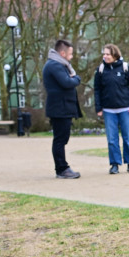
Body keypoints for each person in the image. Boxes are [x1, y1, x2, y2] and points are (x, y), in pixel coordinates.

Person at [94, 44, 129, 174]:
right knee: (112, 139)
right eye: (104, 54)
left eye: (107, 54)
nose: (105, 56)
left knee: (128, 138)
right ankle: (114, 164)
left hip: (126, 109)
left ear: (115, 55)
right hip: (109, 110)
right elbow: (97, 90)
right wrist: (98, 107)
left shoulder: (125, 68)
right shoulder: (101, 70)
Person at [43, 39, 82, 179]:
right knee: (60, 140)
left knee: (61, 139)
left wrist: (73, 78)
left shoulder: (58, 65)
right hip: (60, 108)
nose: (71, 57)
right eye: (70, 54)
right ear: (62, 53)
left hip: (62, 107)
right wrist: (77, 79)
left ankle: (62, 168)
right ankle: (62, 169)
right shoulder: (55, 65)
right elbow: (67, 82)